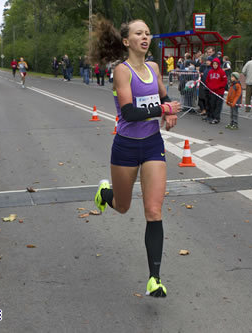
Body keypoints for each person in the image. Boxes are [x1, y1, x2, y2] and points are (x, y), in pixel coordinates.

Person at [90, 18, 181, 298]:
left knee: (153, 211)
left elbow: (163, 95)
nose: (145, 36)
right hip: (126, 147)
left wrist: (170, 112)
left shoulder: (154, 68)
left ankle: (155, 278)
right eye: (138, 33)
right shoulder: (122, 71)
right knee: (123, 206)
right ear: (127, 41)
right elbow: (129, 112)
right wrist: (164, 107)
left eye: (148, 32)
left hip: (153, 145)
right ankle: (105, 195)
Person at [205, 57, 227, 124]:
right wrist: (210, 87)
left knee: (218, 105)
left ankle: (217, 118)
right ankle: (212, 116)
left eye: (216, 64)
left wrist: (218, 87)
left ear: (218, 64)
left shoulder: (222, 72)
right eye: (214, 64)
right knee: (212, 104)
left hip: (219, 92)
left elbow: (224, 81)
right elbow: (207, 81)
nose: (215, 65)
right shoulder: (210, 72)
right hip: (212, 91)